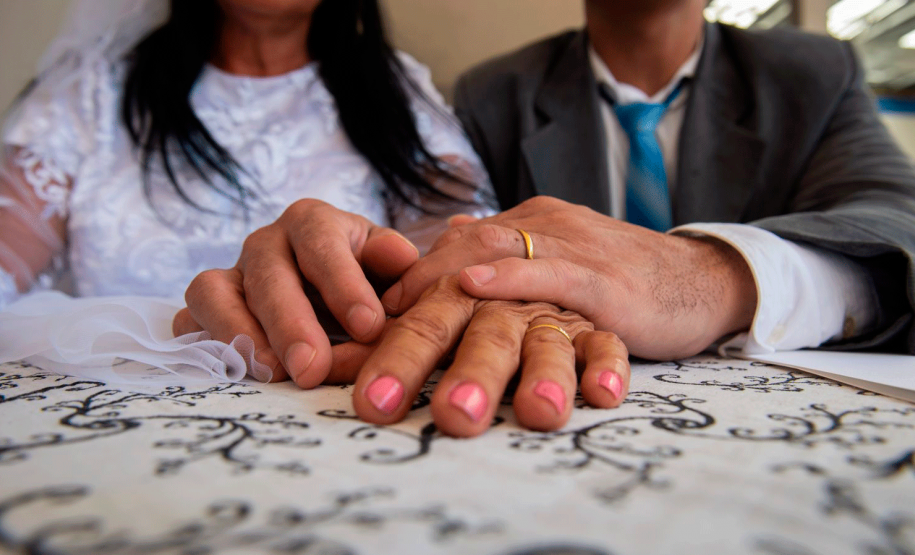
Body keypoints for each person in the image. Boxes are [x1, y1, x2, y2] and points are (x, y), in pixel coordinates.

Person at [177, 0, 915, 414]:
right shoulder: (493, 94)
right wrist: (348, 278)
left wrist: (706, 276)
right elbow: (453, 250)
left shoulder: (813, 71)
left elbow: (896, 221)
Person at [0, 0, 631, 436]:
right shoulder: (88, 96)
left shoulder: (396, 97)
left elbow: (462, 257)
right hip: (117, 424)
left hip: (339, 426)